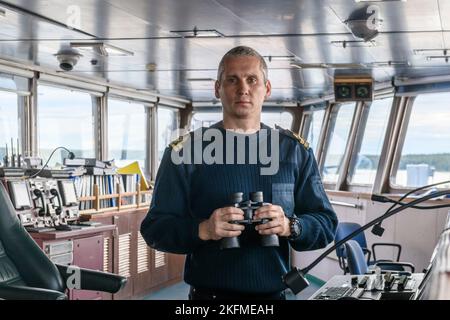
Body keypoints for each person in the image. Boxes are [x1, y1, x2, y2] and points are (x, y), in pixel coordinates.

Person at [140, 46, 337, 300]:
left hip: (274, 296)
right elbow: (155, 229)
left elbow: (326, 223)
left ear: (266, 89)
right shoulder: (185, 152)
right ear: (217, 88)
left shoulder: (293, 151)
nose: (243, 88)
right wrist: (203, 230)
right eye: (232, 79)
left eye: (252, 79)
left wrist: (291, 226)